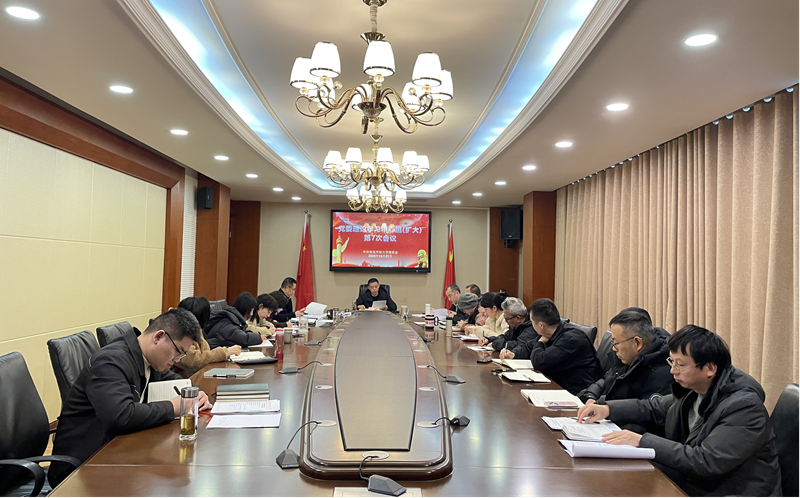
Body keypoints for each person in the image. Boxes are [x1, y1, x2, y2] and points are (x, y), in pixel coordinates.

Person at [577, 326, 781, 497]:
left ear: (710, 368)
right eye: (671, 362)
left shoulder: (744, 407)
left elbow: (707, 461)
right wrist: (607, 409)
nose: (672, 370)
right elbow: (653, 408)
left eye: (680, 365)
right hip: (696, 481)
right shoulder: (694, 389)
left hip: (730, 491)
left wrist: (642, 441)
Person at [48, 309, 212, 487]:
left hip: (116, 452)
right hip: (81, 470)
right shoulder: (110, 362)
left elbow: (178, 383)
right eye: (178, 351)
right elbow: (121, 415)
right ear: (158, 337)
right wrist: (174, 407)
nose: (178, 360)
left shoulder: (149, 359)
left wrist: (196, 393)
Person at [580, 308, 672, 410]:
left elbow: (643, 413)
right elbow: (606, 379)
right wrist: (591, 396)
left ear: (637, 343)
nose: (614, 348)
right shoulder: (629, 358)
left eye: (616, 343)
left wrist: (602, 406)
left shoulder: (661, 373)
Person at [508, 298, 602, 395]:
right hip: (558, 384)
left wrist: (541, 342)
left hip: (578, 392)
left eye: (532, 322)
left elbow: (539, 362)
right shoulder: (550, 332)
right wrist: (514, 353)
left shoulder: (571, 339)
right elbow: (529, 346)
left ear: (541, 325)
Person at [173, 296, 241, 373]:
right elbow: (194, 361)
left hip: (198, 374)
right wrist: (225, 352)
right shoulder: (179, 334)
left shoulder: (196, 329)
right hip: (183, 377)